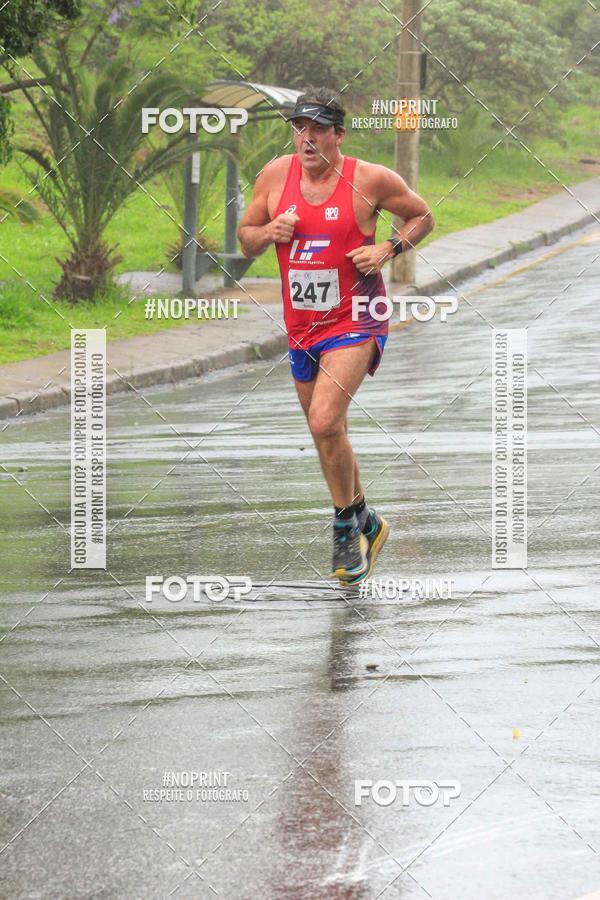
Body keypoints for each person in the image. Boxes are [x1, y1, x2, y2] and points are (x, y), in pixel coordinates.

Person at [238, 86, 434, 584]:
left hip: (357, 316)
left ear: (338, 135)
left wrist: (387, 249)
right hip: (303, 325)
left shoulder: (369, 179)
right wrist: (268, 236)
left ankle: (345, 532)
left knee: (326, 420)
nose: (307, 139)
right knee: (328, 432)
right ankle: (369, 521)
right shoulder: (275, 175)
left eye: (318, 129)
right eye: (299, 128)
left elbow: (422, 215)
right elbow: (246, 237)